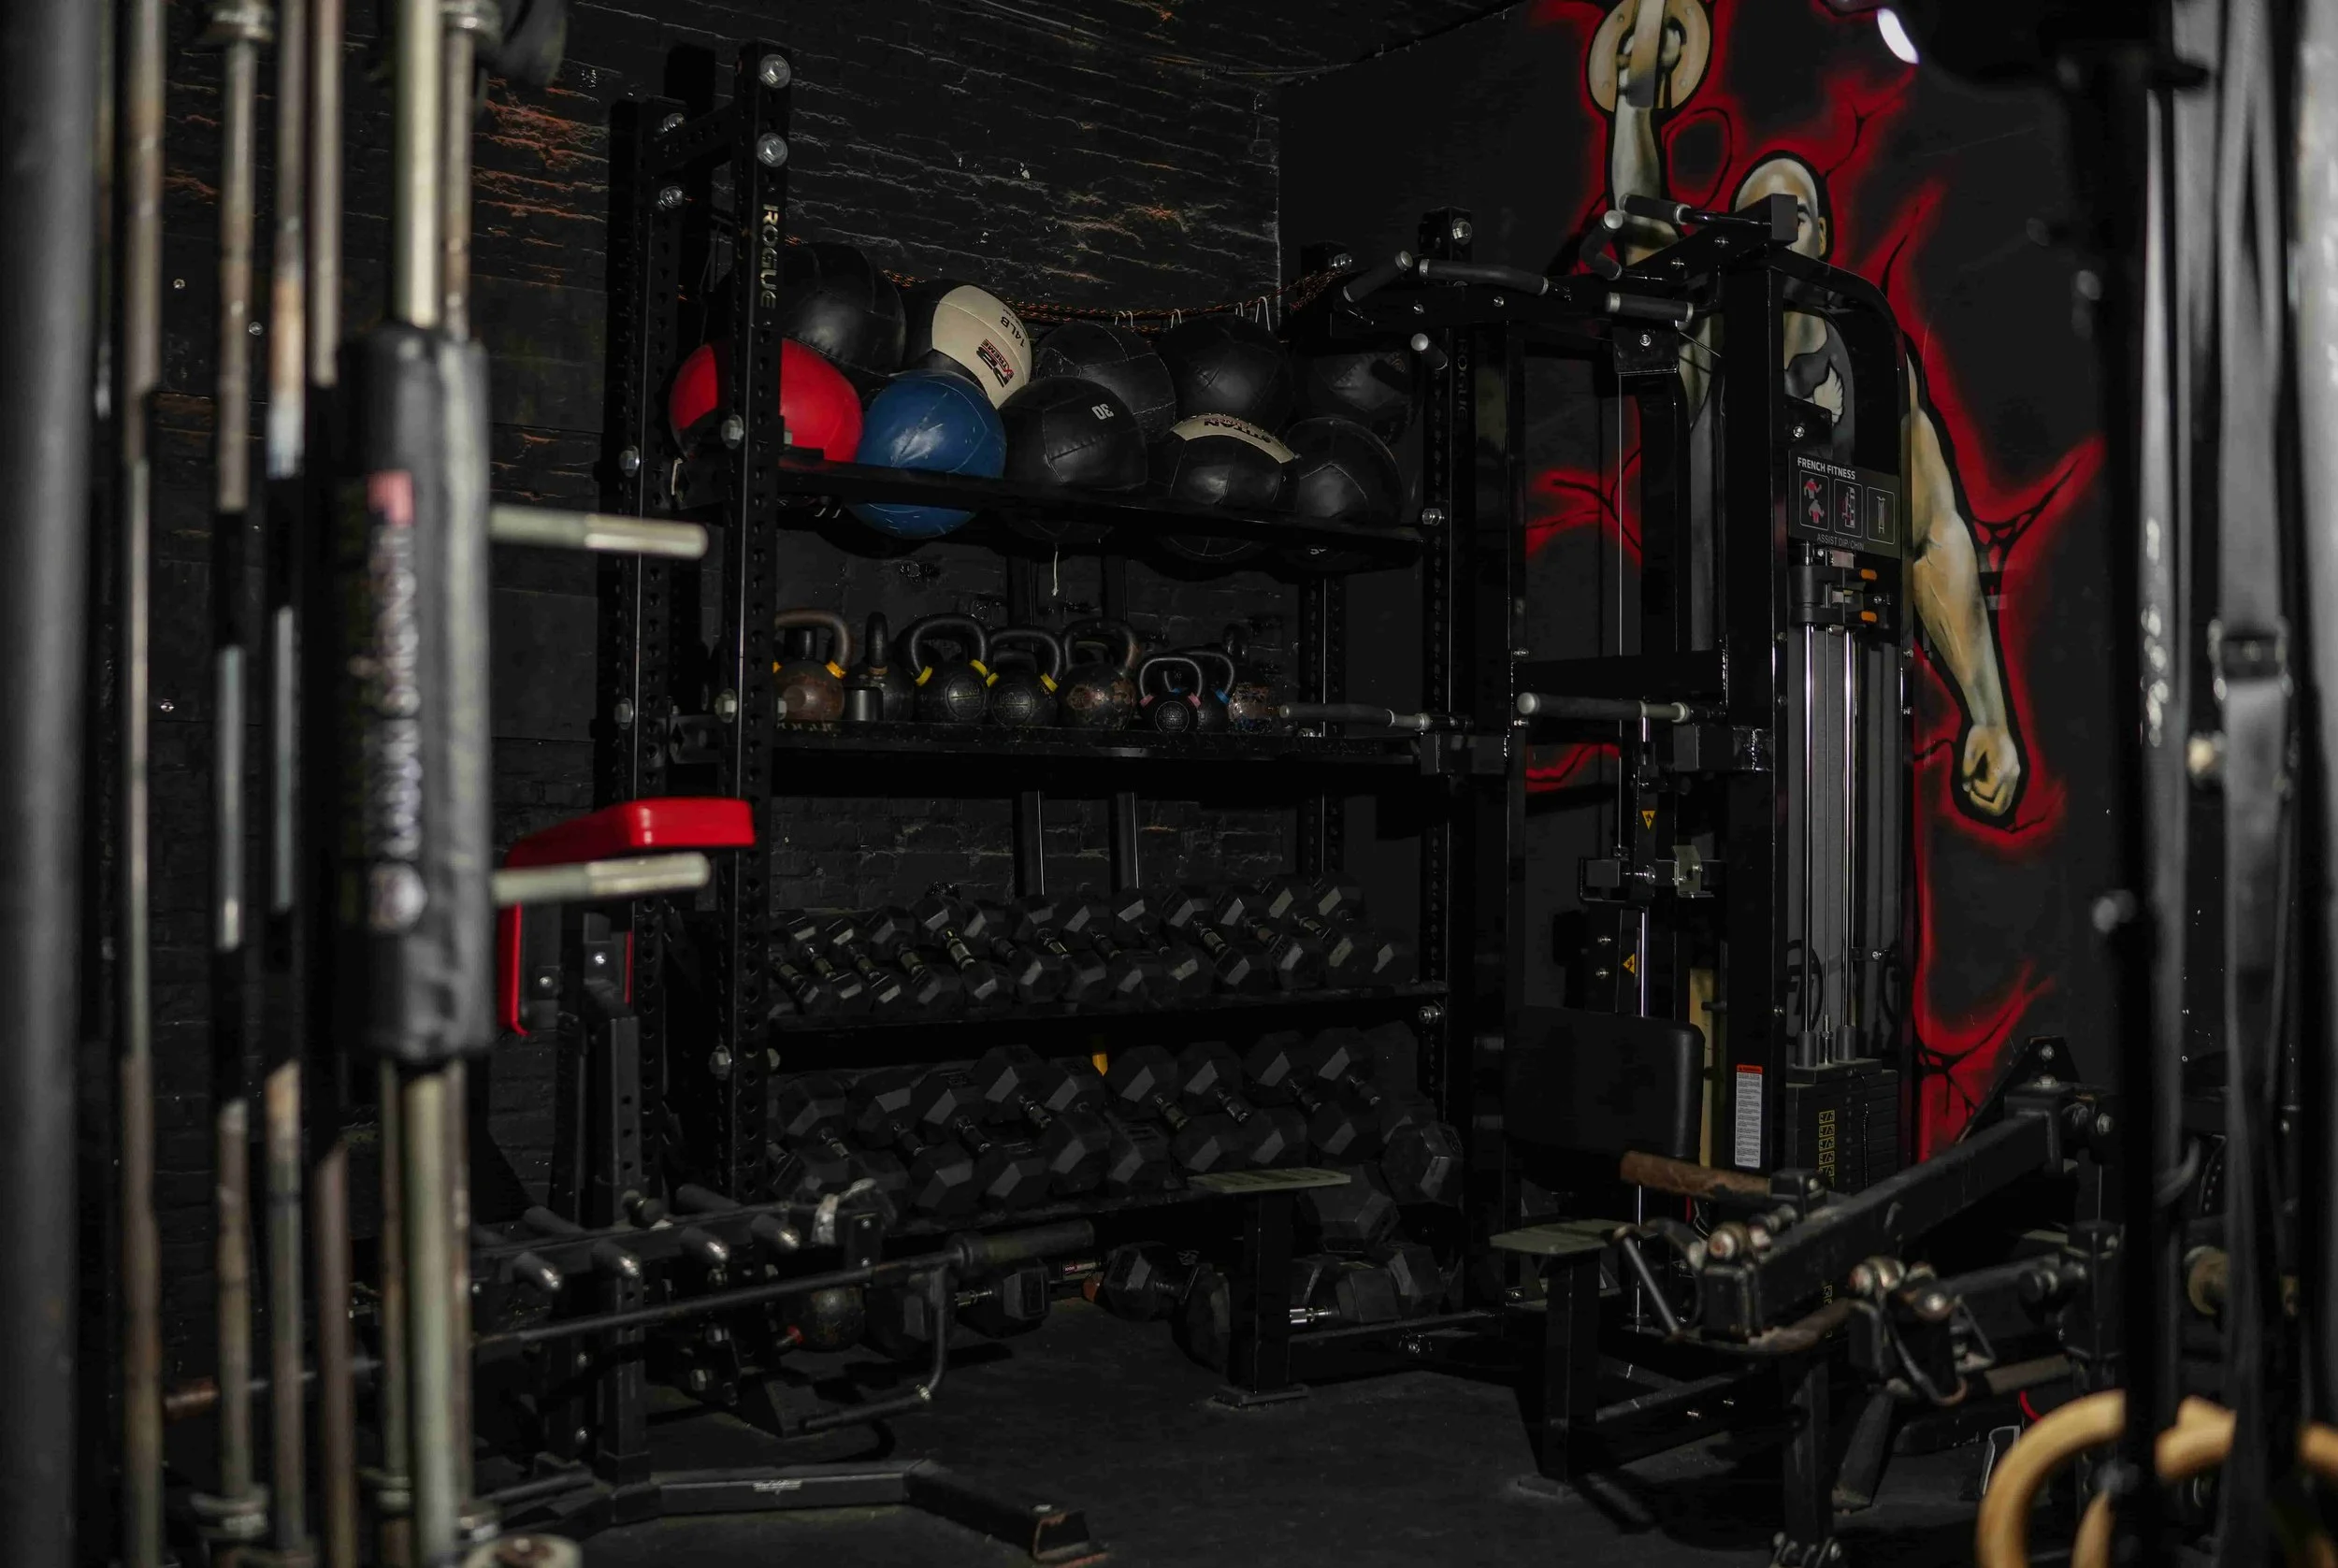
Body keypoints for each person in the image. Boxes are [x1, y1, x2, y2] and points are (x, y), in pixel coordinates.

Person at [1597, 0, 2023, 819]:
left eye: (1790, 213)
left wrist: (1990, 713)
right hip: (1719, 711)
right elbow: (1644, 238)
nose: (1773, 226)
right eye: (1755, 214)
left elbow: (1935, 533)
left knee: (1854, 928)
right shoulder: (1707, 344)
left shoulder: (1870, 356)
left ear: (1823, 236)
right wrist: (1637, 97)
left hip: (1847, 713)